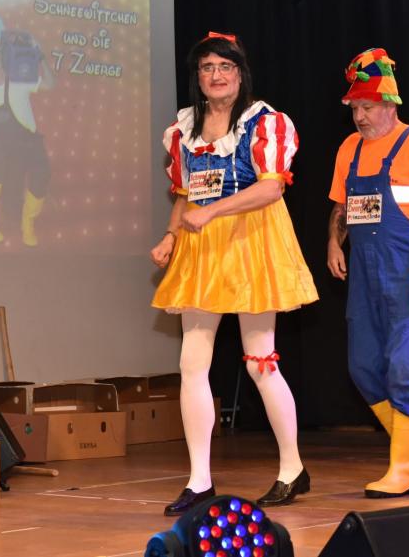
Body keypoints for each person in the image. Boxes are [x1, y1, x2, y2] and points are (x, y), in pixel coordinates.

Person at [151, 32, 318, 515]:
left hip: (251, 241)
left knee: (260, 361)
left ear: (240, 74)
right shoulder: (184, 130)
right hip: (202, 247)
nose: (216, 75)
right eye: (207, 67)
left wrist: (212, 212)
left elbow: (271, 189)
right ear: (197, 77)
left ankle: (292, 468)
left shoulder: (264, 123)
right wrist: (171, 235)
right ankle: (199, 479)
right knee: (191, 362)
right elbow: (186, 194)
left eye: (225, 66)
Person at [327, 47, 409, 499]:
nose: (359, 117)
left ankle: (404, 470)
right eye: (354, 109)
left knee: (403, 365)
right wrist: (333, 243)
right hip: (364, 274)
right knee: (363, 367)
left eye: (367, 107)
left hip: (406, 273)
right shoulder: (349, 149)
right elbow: (342, 206)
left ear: (390, 105)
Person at [0, 34, 52, 246]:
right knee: (9, 206)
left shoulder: (18, 77)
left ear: (1, 53)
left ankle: (28, 222)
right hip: (5, 153)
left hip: (29, 145)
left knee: (42, 175)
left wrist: (40, 56)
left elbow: (49, 84)